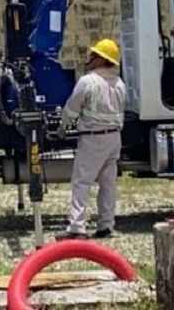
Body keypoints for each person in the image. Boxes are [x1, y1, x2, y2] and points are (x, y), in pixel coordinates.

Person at [56, 39, 127, 240]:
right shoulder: (119, 84)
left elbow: (72, 107)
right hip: (114, 138)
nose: (89, 58)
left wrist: (63, 126)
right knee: (108, 184)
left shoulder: (88, 81)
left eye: (93, 55)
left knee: (82, 182)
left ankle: (77, 227)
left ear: (101, 60)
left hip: (93, 138)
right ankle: (106, 224)